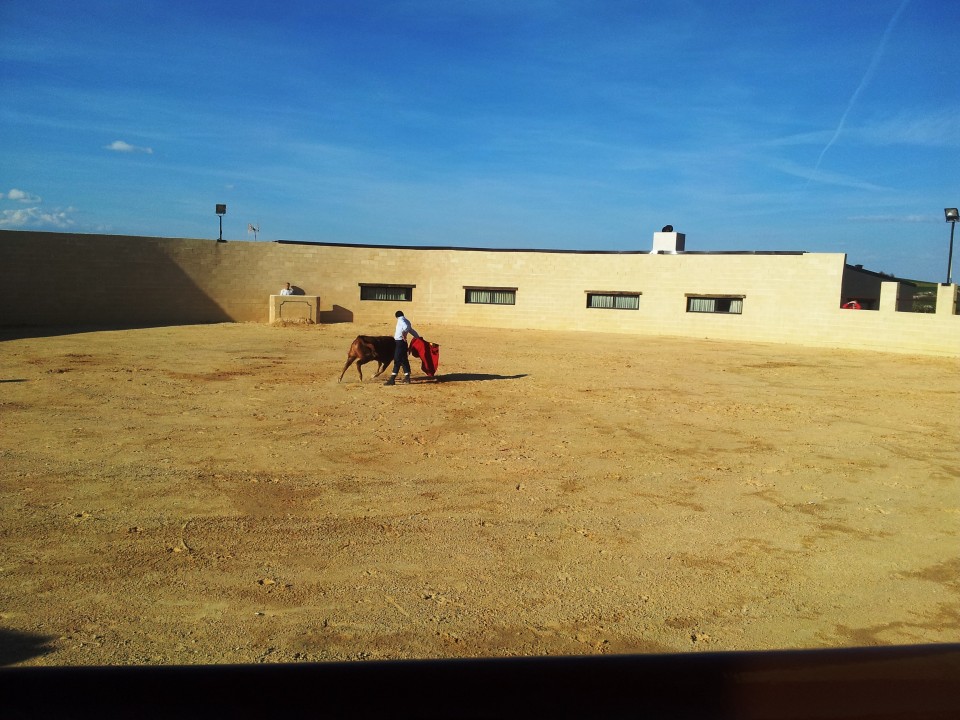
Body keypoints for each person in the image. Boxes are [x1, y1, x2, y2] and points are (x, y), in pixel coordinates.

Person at [384, 310, 420, 385]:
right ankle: (407, 377)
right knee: (403, 359)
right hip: (403, 343)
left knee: (397, 359)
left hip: (399, 342)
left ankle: (392, 379)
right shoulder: (407, 321)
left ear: (396, 316)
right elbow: (411, 330)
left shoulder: (401, 320)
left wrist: (403, 333)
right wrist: (417, 337)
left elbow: (406, 327)